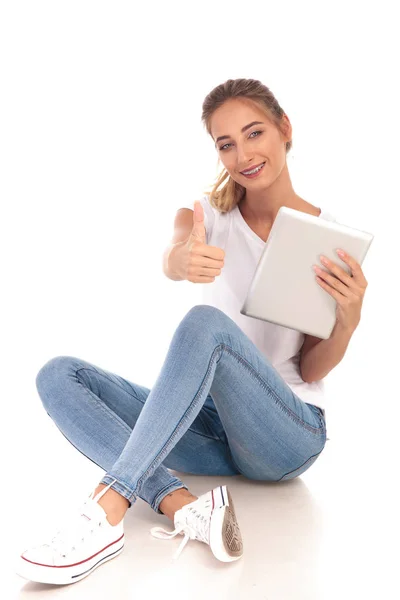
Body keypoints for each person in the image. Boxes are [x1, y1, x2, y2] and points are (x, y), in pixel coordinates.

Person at [16, 78, 368, 585]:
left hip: (287, 436)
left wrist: (349, 320)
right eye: (226, 144)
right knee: (58, 374)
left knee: (207, 325)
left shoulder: (329, 240)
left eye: (254, 134)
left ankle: (106, 511)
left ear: (284, 129)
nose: (243, 154)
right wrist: (182, 261)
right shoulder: (207, 218)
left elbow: (311, 368)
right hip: (212, 431)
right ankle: (183, 506)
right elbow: (176, 253)